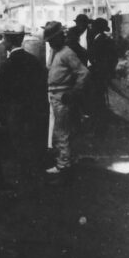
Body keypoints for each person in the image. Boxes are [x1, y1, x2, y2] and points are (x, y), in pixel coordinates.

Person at [0, 24, 48, 183]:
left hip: (15, 112)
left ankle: (23, 180)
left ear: (8, 41)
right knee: (32, 144)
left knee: (19, 146)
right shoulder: (34, 61)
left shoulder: (8, 64)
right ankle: (34, 176)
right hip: (34, 111)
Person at [43, 21, 90, 176]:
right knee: (62, 131)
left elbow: (84, 73)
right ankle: (67, 160)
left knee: (61, 132)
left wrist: (74, 91)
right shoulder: (56, 52)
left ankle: (63, 165)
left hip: (62, 96)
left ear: (59, 37)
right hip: (55, 95)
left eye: (51, 40)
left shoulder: (66, 53)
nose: (49, 43)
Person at [87, 17, 117, 125]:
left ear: (97, 28)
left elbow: (93, 56)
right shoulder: (104, 39)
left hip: (99, 73)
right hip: (102, 72)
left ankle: (101, 120)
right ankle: (102, 117)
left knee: (98, 96)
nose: (91, 28)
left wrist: (98, 68)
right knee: (100, 95)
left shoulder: (100, 40)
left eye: (93, 26)